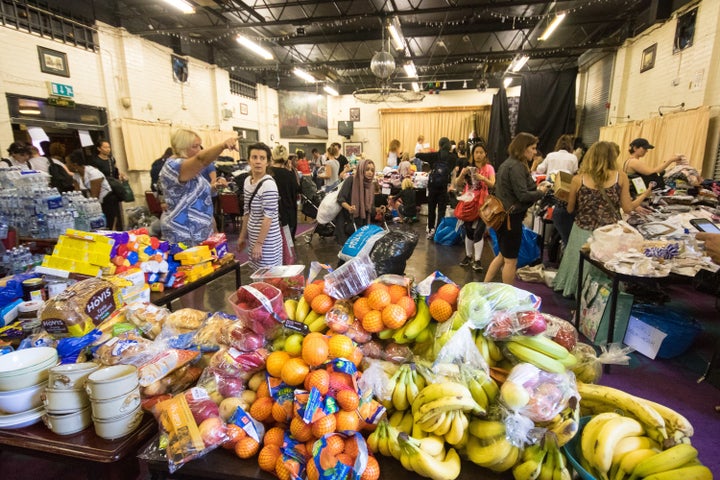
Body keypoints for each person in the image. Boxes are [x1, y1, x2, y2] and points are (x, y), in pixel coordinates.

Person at [552, 141, 654, 297]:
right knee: (604, 267)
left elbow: (570, 208)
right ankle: (600, 297)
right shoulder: (621, 177)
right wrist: (645, 195)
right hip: (609, 233)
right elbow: (627, 208)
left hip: (582, 230)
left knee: (578, 263)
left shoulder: (578, 179)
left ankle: (574, 290)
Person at [484, 133, 550, 285]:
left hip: (502, 218)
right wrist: (541, 192)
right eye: (532, 148)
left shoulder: (508, 164)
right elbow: (523, 195)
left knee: (502, 256)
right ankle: (508, 297)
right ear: (523, 148)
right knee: (510, 261)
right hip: (510, 220)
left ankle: (484, 286)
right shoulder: (516, 166)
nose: (535, 152)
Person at [159, 129, 237, 246]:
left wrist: (213, 187)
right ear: (182, 147)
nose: (199, 150)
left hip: (200, 233)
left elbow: (193, 194)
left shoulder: (189, 169)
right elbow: (201, 159)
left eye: (200, 146)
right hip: (184, 235)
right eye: (195, 146)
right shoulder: (174, 166)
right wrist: (222, 145)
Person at [238, 142, 282, 270]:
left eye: (262, 158)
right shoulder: (247, 181)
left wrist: (259, 244)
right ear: (249, 160)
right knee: (257, 275)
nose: (258, 161)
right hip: (254, 238)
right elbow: (247, 212)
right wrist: (242, 236)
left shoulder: (269, 185)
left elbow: (268, 218)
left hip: (267, 242)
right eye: (254, 157)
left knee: (269, 277)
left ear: (268, 162)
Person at [456, 143, 495, 272]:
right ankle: (468, 256)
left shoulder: (489, 168)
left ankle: (477, 260)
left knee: (479, 231)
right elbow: (458, 184)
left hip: (483, 204)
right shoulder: (468, 168)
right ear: (473, 154)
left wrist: (482, 178)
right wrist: (462, 174)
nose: (478, 155)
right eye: (476, 152)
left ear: (485, 154)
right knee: (468, 230)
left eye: (481, 152)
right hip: (468, 203)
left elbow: (492, 184)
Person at [537, 135, 579, 246]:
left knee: (546, 218)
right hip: (565, 193)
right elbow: (575, 173)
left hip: (550, 190)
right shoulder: (573, 158)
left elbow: (539, 169)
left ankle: (544, 241)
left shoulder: (550, 155)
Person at [417, 137, 456, 239]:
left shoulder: (434, 155)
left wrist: (423, 152)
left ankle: (431, 230)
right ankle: (439, 231)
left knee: (432, 209)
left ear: (439, 145)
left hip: (433, 186)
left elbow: (418, 155)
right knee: (441, 210)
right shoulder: (452, 157)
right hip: (443, 187)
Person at [65, 149, 115, 228]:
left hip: (105, 202)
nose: (66, 165)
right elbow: (77, 194)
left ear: (74, 164)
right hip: (91, 205)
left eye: (67, 163)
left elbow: (95, 196)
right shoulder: (76, 175)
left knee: (105, 226)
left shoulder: (93, 173)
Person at [334, 159, 376, 245]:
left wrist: (378, 210)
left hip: (361, 223)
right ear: (361, 169)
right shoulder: (351, 180)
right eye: (367, 169)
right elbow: (340, 198)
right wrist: (349, 208)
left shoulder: (370, 185)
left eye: (372, 170)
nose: (370, 172)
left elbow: (370, 207)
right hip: (347, 221)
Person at [90, 140, 125, 230]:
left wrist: (121, 176)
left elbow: (116, 171)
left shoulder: (111, 159)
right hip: (104, 190)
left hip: (114, 188)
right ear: (99, 148)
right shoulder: (95, 161)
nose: (108, 149)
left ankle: (116, 228)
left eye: (109, 147)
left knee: (116, 211)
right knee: (107, 211)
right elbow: (95, 176)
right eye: (105, 147)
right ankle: (109, 228)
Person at [271, 144, 300, 238]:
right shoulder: (289, 174)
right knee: (288, 246)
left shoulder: (267, 173)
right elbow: (297, 190)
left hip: (271, 216)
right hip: (288, 215)